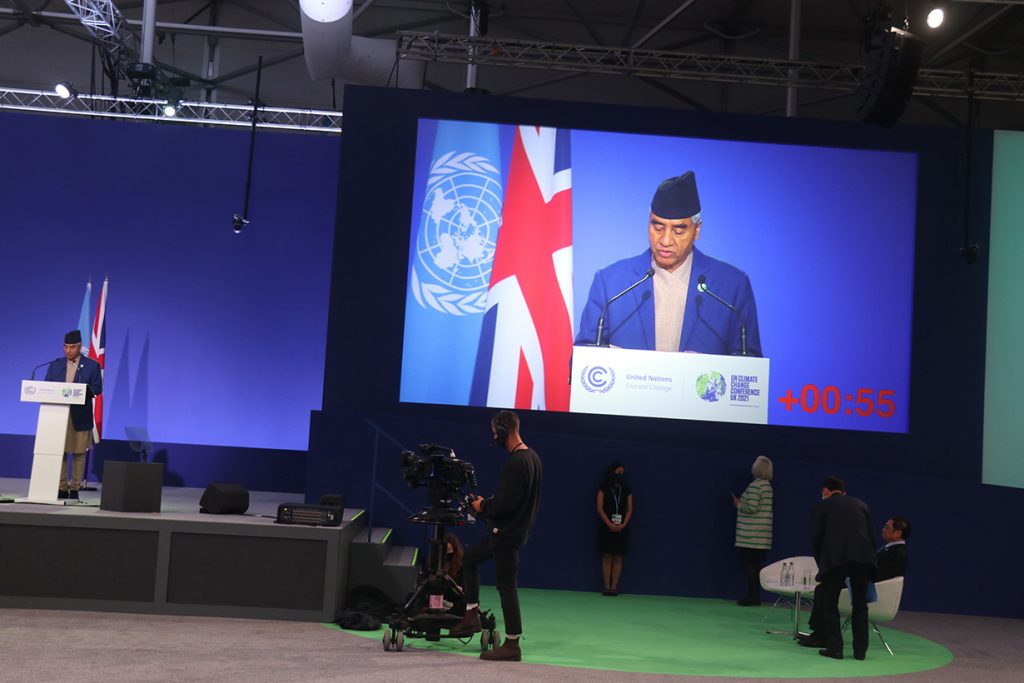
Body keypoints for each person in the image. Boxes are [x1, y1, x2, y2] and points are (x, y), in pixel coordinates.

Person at [576, 171, 762, 356]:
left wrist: (706, 369)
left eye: (678, 231)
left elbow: (749, 368)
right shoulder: (611, 282)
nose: (665, 240)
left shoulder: (732, 286)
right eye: (657, 227)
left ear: (697, 230)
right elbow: (581, 360)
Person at [448, 410, 543, 662]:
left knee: (506, 587)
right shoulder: (533, 458)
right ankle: (471, 615)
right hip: (509, 532)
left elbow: (505, 505)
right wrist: (487, 503)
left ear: (502, 430)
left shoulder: (516, 462)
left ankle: (512, 645)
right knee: (470, 559)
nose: (492, 436)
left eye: (494, 430)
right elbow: (511, 498)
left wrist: (481, 507)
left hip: (506, 536)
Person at [799, 515, 910, 648]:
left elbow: (879, 575)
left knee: (825, 590)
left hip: (869, 589)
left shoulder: (897, 554)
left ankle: (823, 635)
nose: (883, 529)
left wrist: (854, 574)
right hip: (863, 583)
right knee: (825, 587)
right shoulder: (891, 550)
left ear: (898, 533)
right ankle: (819, 633)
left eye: (887, 527)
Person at [809, 476, 877, 661]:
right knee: (860, 604)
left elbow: (817, 538)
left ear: (825, 490)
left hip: (836, 559)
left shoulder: (822, 506)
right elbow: (871, 536)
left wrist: (821, 566)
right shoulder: (862, 505)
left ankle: (835, 648)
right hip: (863, 558)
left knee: (830, 602)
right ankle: (860, 651)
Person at [43, 330, 102, 500]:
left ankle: (75, 488)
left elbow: (98, 388)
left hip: (79, 416)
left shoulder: (91, 366)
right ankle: (61, 487)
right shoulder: (55, 365)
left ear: (79, 347)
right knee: (59, 452)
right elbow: (47, 386)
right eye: (65, 347)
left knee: (78, 453)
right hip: (58, 415)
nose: (68, 350)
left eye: (72, 347)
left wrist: (83, 391)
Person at [732, 455, 773, 606]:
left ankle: (752, 596)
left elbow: (752, 507)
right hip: (762, 536)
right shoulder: (768, 486)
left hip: (750, 535)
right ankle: (754, 596)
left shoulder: (756, 486)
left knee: (748, 565)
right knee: (756, 566)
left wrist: (738, 504)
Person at [597, 462, 633, 596]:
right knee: (607, 555)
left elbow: (630, 509)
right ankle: (607, 586)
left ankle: (614, 587)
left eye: (622, 473)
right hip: (606, 527)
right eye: (618, 472)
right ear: (612, 472)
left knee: (618, 556)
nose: (620, 475)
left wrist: (623, 524)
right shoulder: (603, 488)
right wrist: (609, 523)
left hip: (622, 527)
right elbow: (599, 507)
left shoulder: (627, 489)